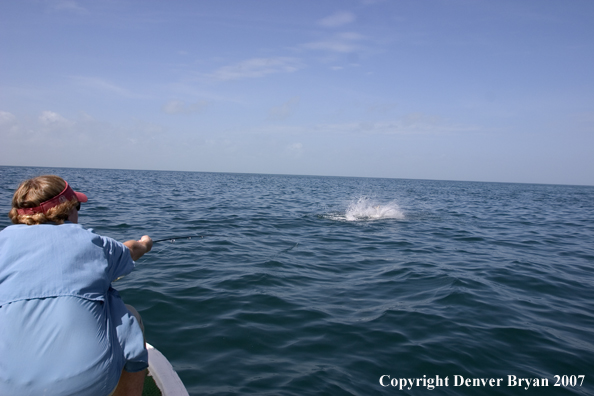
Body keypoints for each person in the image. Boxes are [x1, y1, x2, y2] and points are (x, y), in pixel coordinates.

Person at [0, 175, 153, 396]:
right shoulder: (93, 245)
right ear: (67, 209)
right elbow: (132, 250)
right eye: (77, 206)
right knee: (128, 315)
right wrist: (146, 243)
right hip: (88, 384)